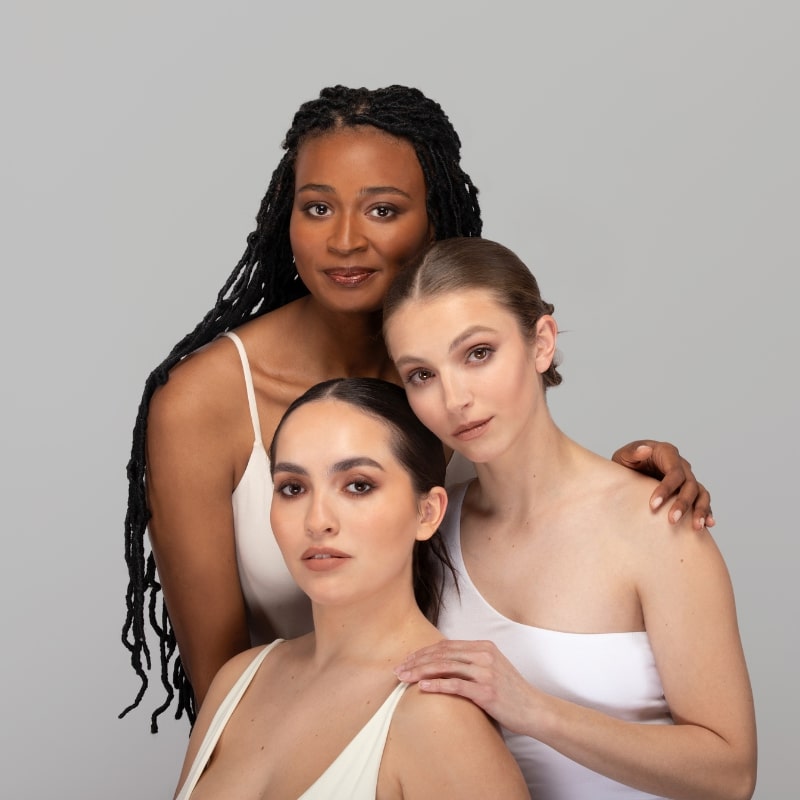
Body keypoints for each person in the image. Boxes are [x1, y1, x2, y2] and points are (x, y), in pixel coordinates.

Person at [121, 84, 713, 731]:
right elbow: (221, 695)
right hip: (305, 752)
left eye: (382, 209)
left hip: (476, 744)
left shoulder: (456, 381)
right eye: (317, 207)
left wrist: (629, 490)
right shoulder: (202, 403)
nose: (345, 240)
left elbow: (536, 515)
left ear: (434, 220)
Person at [384, 238, 757, 800]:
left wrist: (533, 709)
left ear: (541, 343)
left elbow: (731, 775)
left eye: (478, 353)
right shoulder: (428, 531)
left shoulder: (655, 523)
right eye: (421, 375)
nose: (454, 398)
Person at [172, 377, 529, 799]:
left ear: (427, 513)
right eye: (293, 488)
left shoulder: (440, 716)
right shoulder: (238, 682)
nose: (317, 520)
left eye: (358, 485)